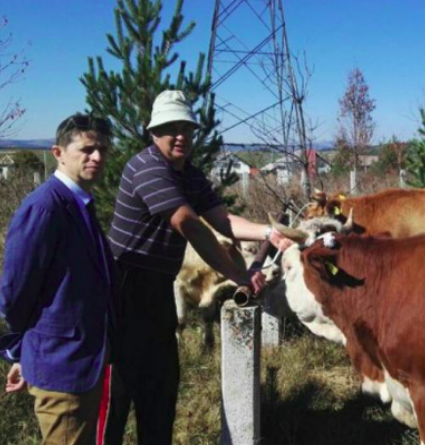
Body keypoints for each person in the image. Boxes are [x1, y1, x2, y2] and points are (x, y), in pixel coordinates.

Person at [101, 90, 291, 445]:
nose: (180, 136)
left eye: (186, 128)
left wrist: (269, 231)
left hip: (157, 291)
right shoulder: (147, 168)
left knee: (160, 390)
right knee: (117, 395)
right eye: (170, 128)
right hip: (122, 292)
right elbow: (188, 223)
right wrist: (239, 274)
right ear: (153, 132)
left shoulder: (188, 173)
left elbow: (223, 220)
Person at [0, 114, 117, 445]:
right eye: (87, 149)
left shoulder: (80, 203)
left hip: (82, 364)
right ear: (58, 152)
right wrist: (30, 351)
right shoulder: (45, 207)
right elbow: (13, 294)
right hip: (63, 368)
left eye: (104, 149)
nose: (97, 157)